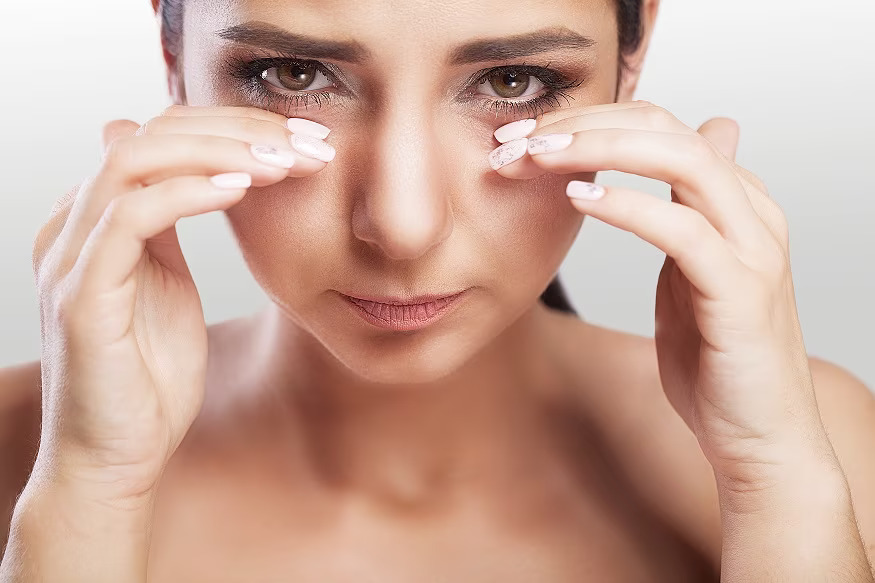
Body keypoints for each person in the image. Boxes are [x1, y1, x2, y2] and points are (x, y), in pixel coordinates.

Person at [1, 0, 874, 580]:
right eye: (295, 75)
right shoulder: (24, 452)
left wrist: (774, 487)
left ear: (630, 53)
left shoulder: (805, 443)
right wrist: (89, 493)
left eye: (511, 82)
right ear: (172, 51)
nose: (403, 223)